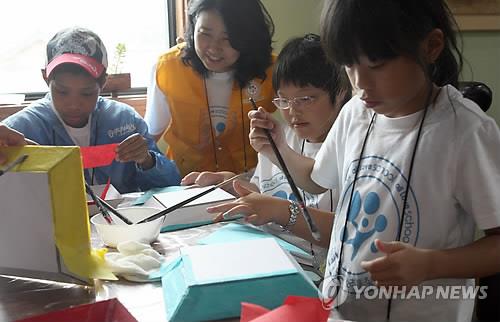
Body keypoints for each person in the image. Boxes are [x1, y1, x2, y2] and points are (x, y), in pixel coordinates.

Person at [210, 1, 500, 321]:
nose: (360, 83)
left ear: (431, 46)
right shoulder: (356, 112)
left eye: (376, 64)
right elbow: (316, 178)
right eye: (349, 64)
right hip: (341, 309)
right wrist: (277, 147)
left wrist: (431, 264)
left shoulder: (466, 132)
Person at [186, 34, 351, 268]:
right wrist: (229, 185)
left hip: (316, 272)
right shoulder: (279, 135)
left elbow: (349, 231)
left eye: (305, 99)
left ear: (342, 91)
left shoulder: (352, 148)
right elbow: (265, 192)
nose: (293, 112)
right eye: (283, 100)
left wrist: (279, 210)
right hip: (267, 255)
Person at [3, 27, 181, 193]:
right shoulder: (19, 130)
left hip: (120, 224)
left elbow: (172, 183)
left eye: (87, 93)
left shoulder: (125, 120)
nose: (74, 104)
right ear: (45, 78)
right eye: (62, 92)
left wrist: (147, 160)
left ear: (103, 82)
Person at [144, 0, 276, 177]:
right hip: (186, 185)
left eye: (228, 38)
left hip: (250, 184)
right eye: (205, 34)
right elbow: (150, 135)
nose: (214, 48)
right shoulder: (168, 68)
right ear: (193, 27)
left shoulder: (271, 70)